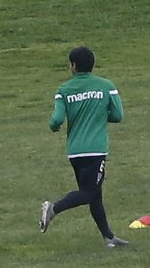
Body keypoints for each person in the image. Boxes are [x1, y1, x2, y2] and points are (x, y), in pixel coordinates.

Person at [40, 46, 127, 248]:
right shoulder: (106, 86)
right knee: (89, 193)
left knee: (94, 195)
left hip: (75, 151)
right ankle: (53, 209)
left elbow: (56, 121)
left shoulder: (64, 90)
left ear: (73, 66)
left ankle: (108, 236)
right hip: (96, 150)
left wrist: (56, 126)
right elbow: (118, 115)